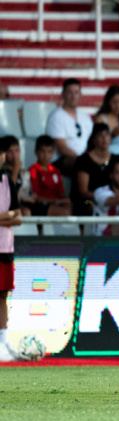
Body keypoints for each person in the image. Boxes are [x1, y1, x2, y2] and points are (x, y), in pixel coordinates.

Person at [71, 123, 119, 217]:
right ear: (93, 139)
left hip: (113, 199)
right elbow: (83, 191)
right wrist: (104, 197)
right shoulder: (84, 160)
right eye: (100, 136)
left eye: (107, 135)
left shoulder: (116, 159)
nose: (104, 139)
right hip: (88, 201)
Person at [0, 139, 23, 362]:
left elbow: (18, 218)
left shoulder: (8, 181)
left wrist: (7, 217)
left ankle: (3, 341)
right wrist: (6, 216)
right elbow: (11, 216)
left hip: (5, 245)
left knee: (3, 295)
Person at [45, 78, 94, 175]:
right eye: (70, 92)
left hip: (83, 159)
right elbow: (61, 147)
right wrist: (83, 159)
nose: (73, 96)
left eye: (76, 92)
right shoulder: (56, 116)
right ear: (63, 94)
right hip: (62, 160)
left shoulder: (85, 117)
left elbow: (92, 141)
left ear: (80, 95)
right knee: (83, 165)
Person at [27, 135, 71, 217]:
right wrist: (55, 201)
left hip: (57, 204)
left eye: (49, 152)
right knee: (64, 212)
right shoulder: (33, 170)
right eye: (42, 151)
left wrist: (63, 201)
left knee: (78, 205)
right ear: (36, 152)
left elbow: (61, 193)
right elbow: (34, 196)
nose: (46, 155)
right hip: (40, 205)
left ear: (53, 153)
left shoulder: (56, 171)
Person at [93, 85, 119, 155]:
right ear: (108, 102)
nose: (118, 106)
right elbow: (94, 143)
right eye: (114, 102)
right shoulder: (101, 119)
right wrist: (112, 135)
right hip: (105, 155)